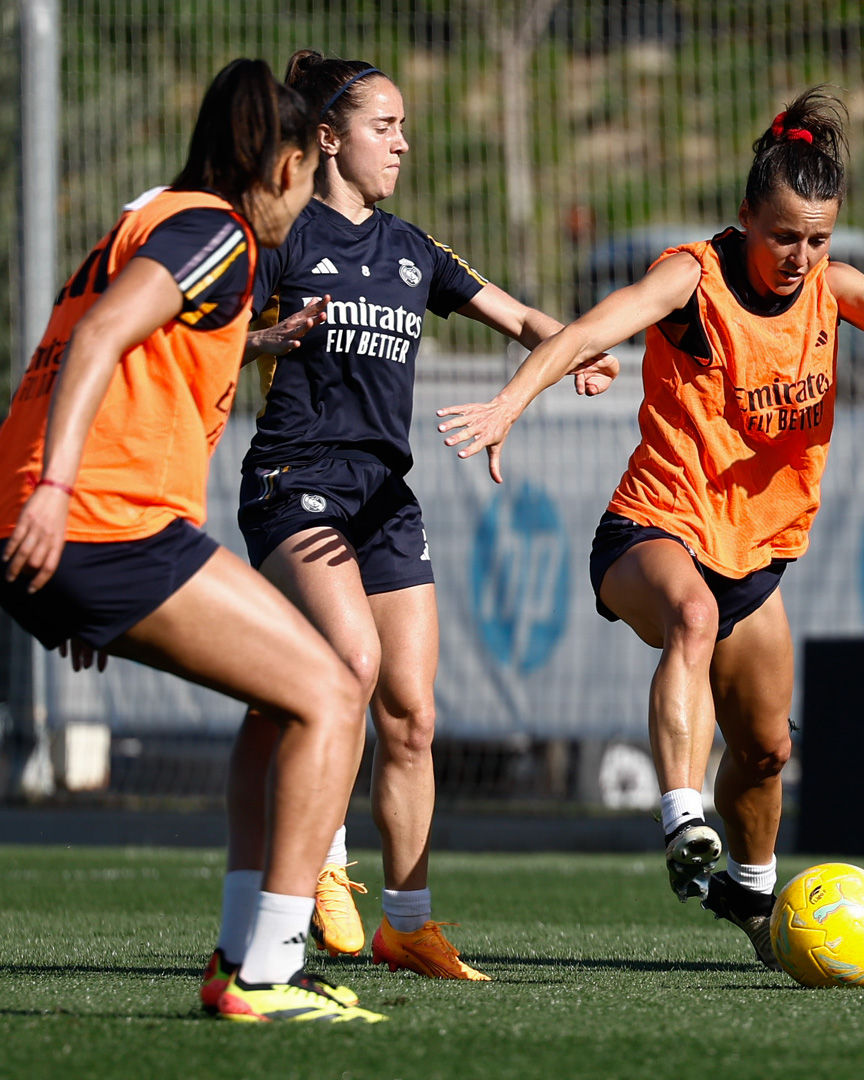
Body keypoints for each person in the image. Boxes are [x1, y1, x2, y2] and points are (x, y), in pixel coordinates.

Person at [436, 87, 864, 967]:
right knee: (693, 619)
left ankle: (749, 886)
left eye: (818, 239)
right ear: (746, 216)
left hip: (752, 557)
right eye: (785, 237)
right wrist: (511, 402)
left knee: (770, 750)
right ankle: (681, 816)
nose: (802, 256)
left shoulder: (832, 289)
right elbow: (591, 328)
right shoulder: (690, 279)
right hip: (649, 530)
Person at [0, 59, 385, 1023]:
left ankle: (238, 957)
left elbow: (135, 334)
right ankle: (266, 976)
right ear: (288, 164)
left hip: (58, 533)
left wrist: (256, 346)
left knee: (280, 701)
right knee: (334, 693)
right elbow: (100, 339)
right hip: (96, 521)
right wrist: (63, 498)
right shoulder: (223, 233)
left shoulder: (158, 216)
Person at [218, 50, 617, 983]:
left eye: (402, 126)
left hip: (384, 495)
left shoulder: (410, 249)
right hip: (295, 479)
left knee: (413, 715)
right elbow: (198, 334)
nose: (402, 141)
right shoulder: (281, 233)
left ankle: (409, 923)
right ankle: (317, 863)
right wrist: (266, 339)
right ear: (328, 139)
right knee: (348, 671)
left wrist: (575, 352)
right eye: (382, 126)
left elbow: (520, 318)